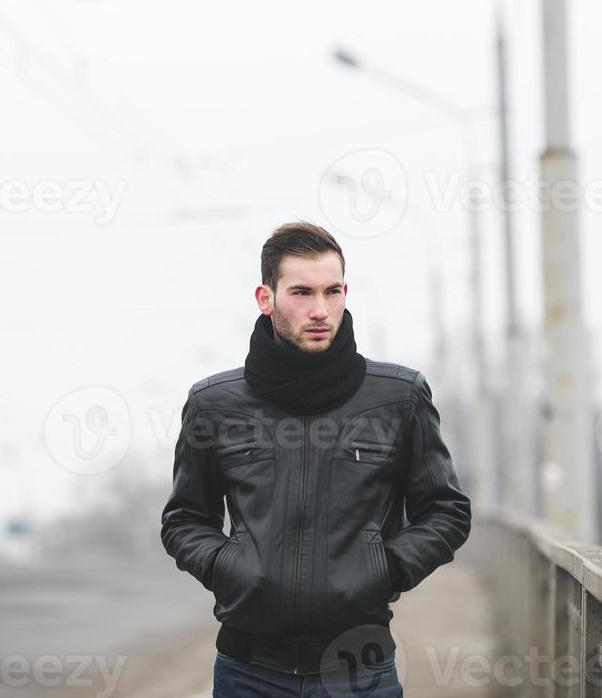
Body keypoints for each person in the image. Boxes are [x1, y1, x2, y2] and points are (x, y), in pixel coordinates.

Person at [161, 221, 472, 697]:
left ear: (346, 292)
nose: (320, 310)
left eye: (332, 291)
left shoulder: (398, 398)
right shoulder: (214, 405)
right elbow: (184, 519)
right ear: (266, 299)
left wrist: (384, 569)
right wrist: (231, 566)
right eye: (302, 292)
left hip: (360, 669)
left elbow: (447, 511)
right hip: (248, 669)